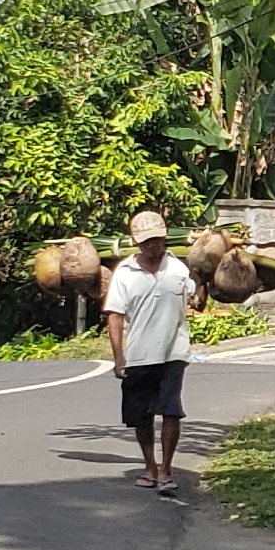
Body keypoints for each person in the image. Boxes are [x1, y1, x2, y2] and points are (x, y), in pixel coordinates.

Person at [105, 209, 197, 495]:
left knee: (171, 411)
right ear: (136, 241)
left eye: (157, 240)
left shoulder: (179, 268)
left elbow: (196, 297)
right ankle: (150, 466)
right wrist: (118, 356)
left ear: (165, 237)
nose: (152, 246)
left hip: (174, 352)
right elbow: (115, 316)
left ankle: (167, 470)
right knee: (142, 415)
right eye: (146, 241)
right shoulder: (125, 273)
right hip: (139, 355)